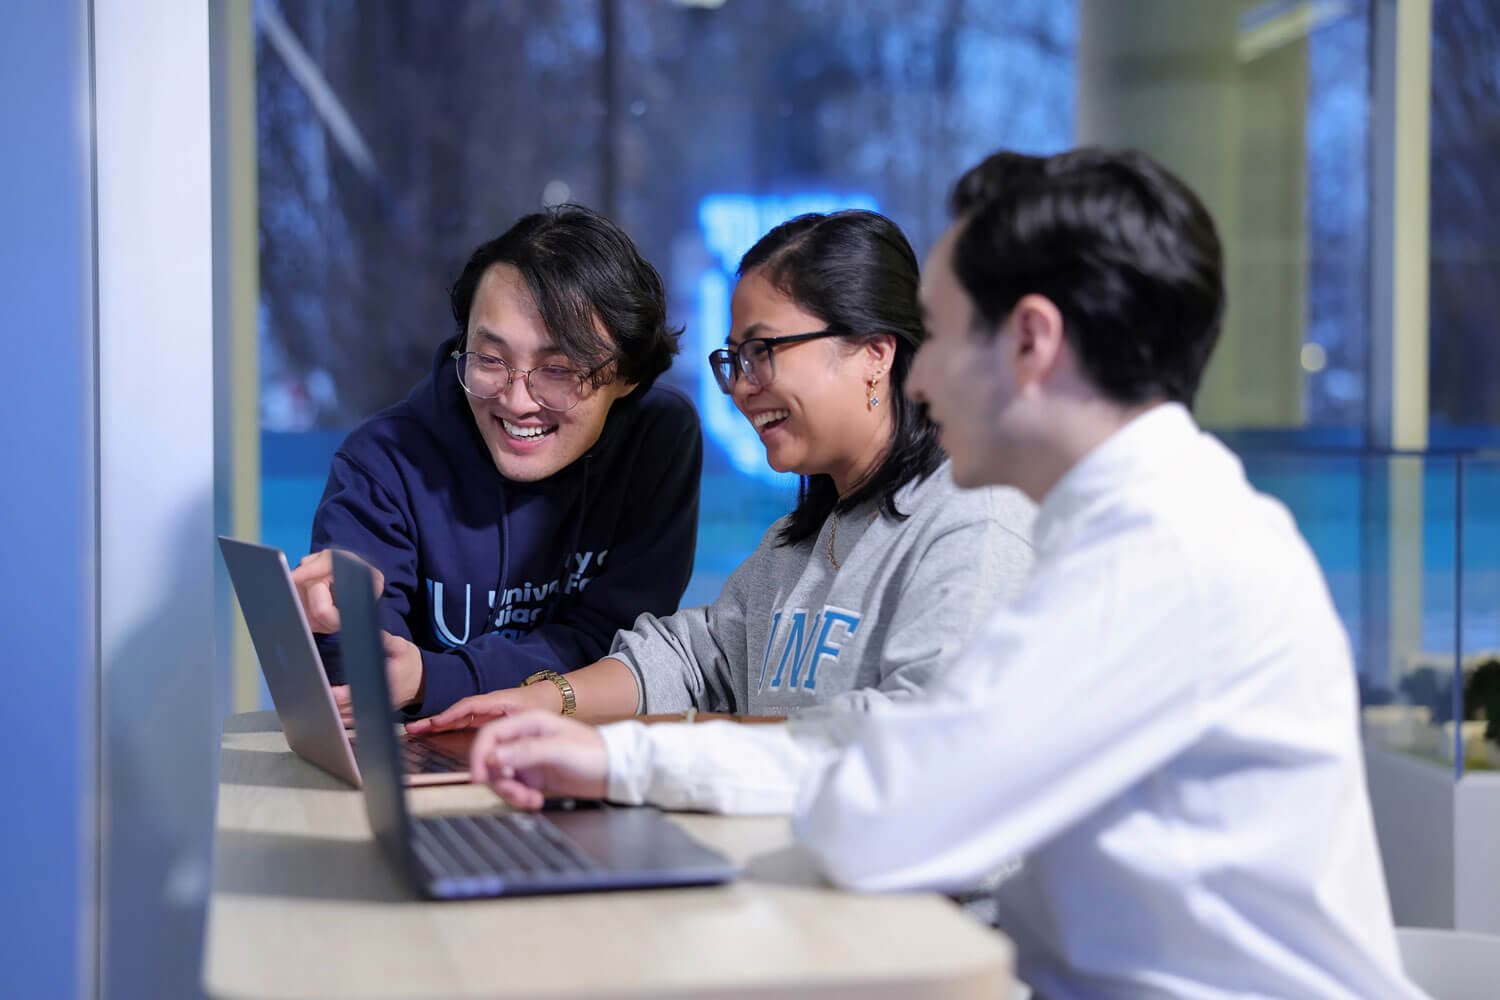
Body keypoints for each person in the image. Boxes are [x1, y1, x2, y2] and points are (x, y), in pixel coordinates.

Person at [457, 150, 1422, 997]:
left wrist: (629, 755)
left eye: (944, 336)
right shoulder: (1125, 529)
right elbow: (891, 754)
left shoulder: (1159, 559)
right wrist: (604, 743)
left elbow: (890, 804)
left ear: (1033, 343)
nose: (919, 378)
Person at [408, 208, 1036, 730]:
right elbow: (693, 657)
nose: (739, 388)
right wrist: (547, 700)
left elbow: (918, 747)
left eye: (763, 352)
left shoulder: (971, 521)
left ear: (874, 353)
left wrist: (659, 756)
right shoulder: (800, 544)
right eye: (733, 359)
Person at [291, 204, 702, 720]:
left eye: (558, 368)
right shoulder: (385, 460)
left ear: (628, 376)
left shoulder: (657, 439)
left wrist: (438, 676)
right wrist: (335, 627)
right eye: (490, 359)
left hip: (589, 747)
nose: (517, 400)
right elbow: (365, 688)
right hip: (430, 750)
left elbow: (624, 647)